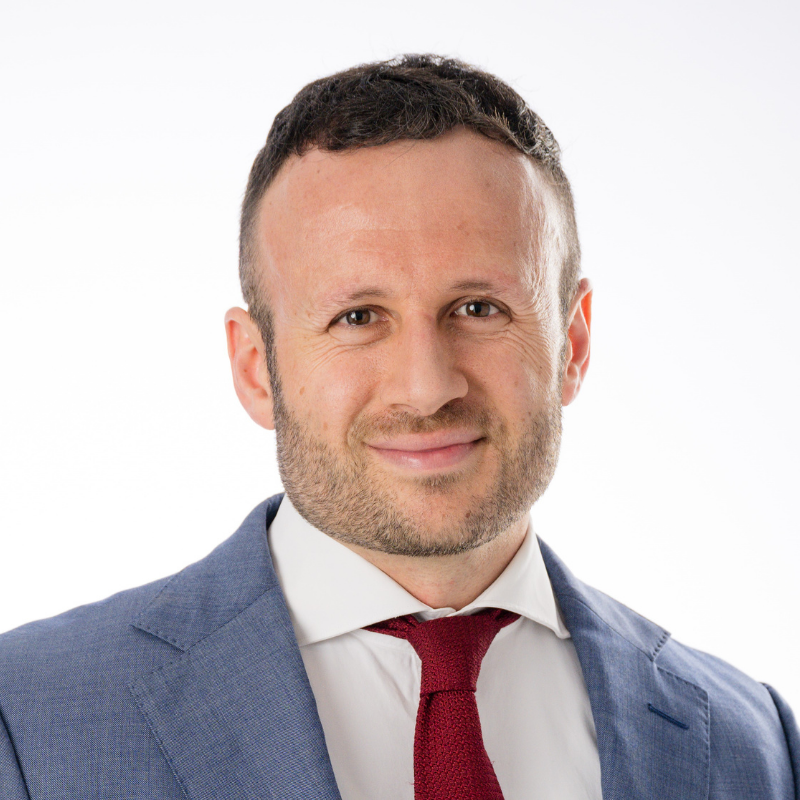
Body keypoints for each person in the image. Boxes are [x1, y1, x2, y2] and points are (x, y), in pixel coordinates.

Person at [0, 54, 796, 800]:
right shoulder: (29, 722)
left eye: (478, 308)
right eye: (358, 317)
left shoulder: (753, 746)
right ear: (255, 366)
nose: (426, 388)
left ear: (573, 344)